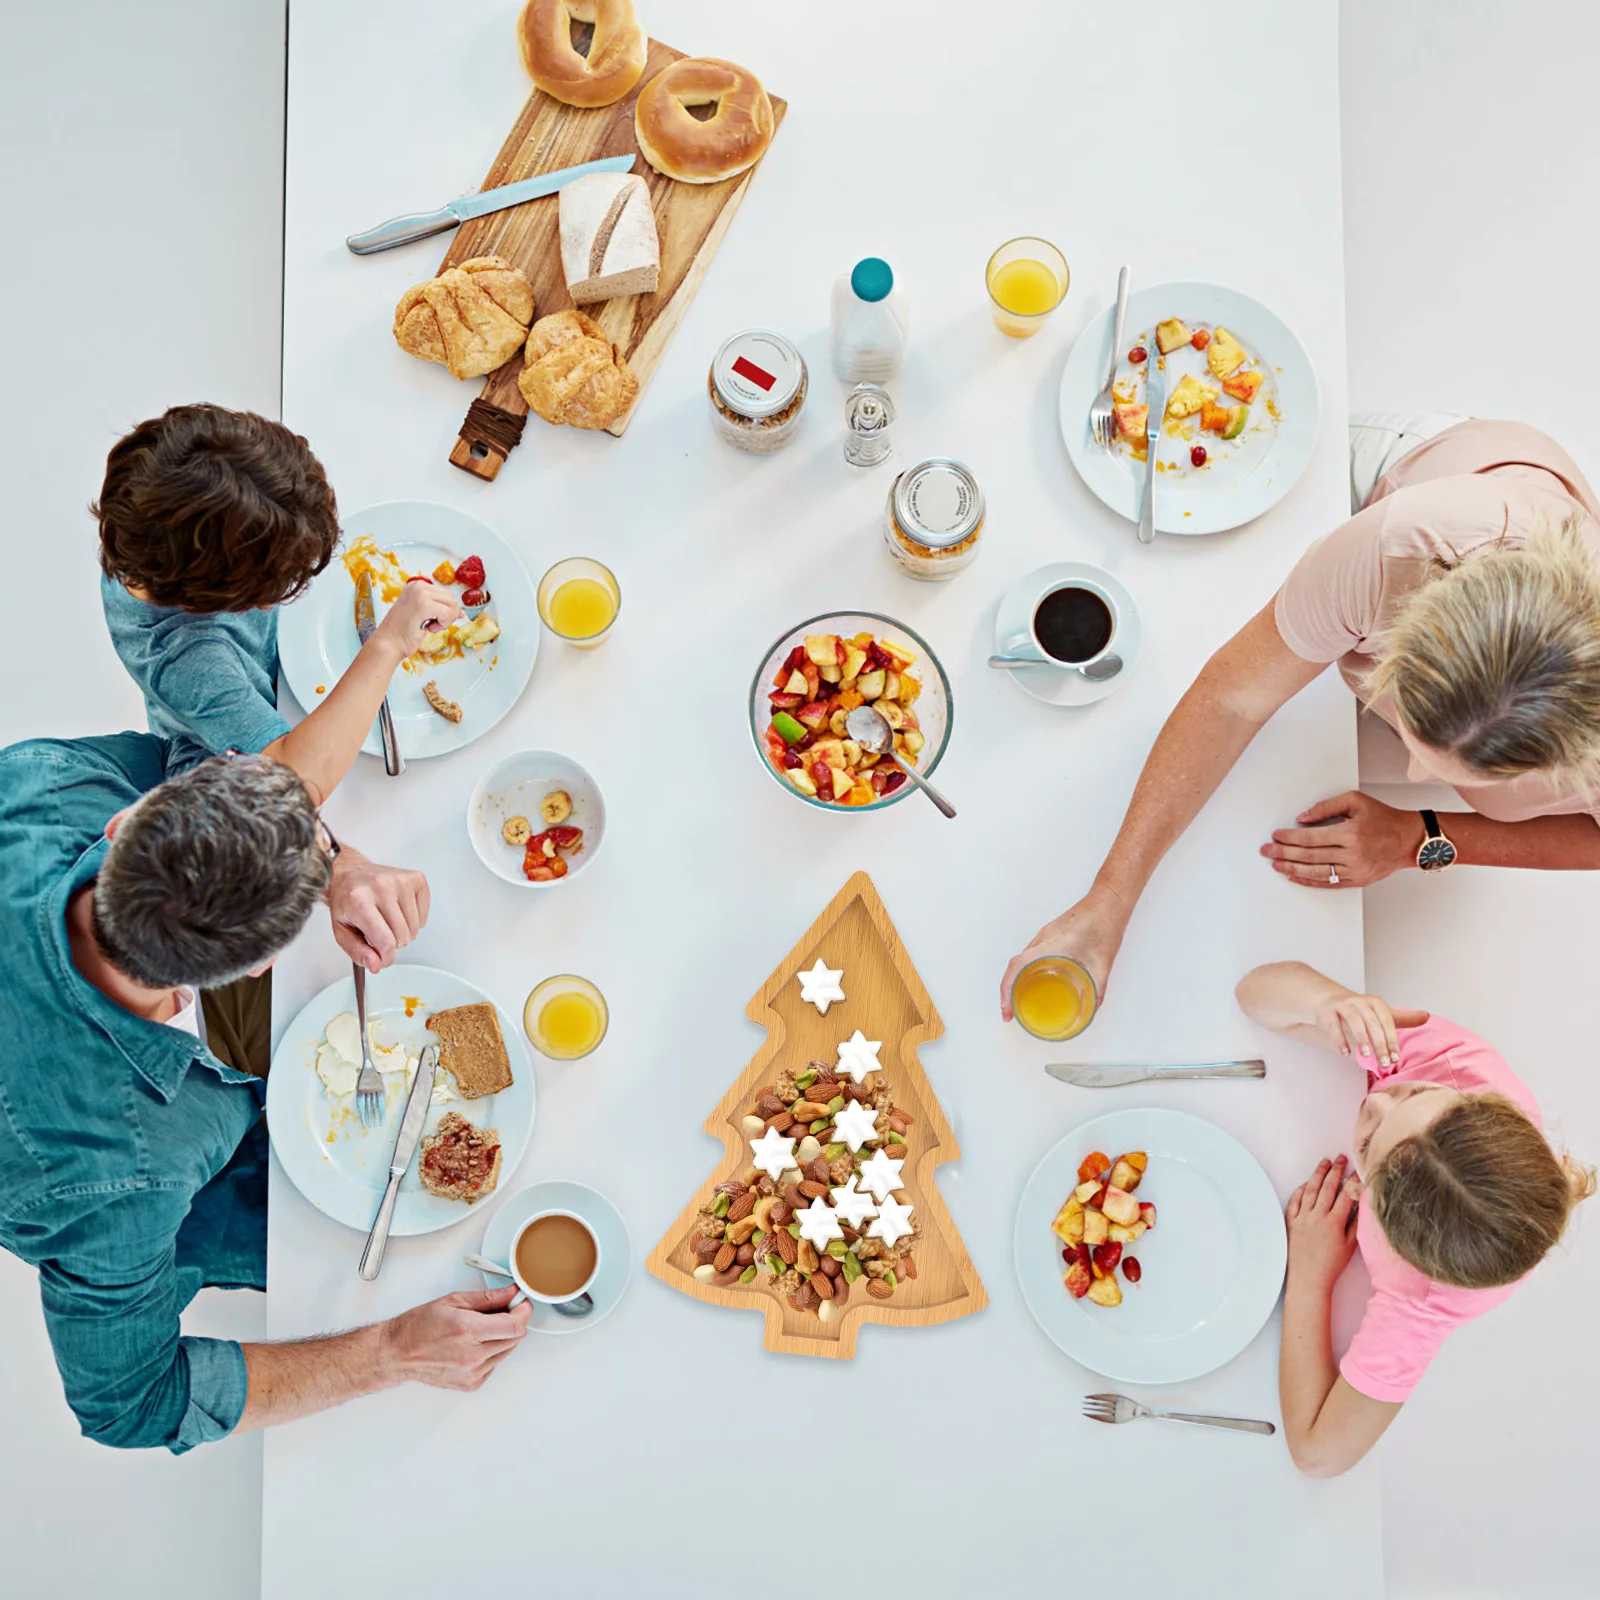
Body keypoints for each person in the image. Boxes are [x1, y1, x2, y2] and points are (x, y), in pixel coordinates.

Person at [0, 734, 527, 1452]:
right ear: (262, 966)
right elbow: (129, 1407)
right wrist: (395, 1349)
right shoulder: (118, 1187)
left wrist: (344, 864)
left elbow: (195, 756)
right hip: (153, 1186)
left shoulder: (39, 781)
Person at [1000, 416, 1600, 1015]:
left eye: (1447, 770)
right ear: (1401, 635)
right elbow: (1232, 698)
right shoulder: (1392, 549)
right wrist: (1109, 899)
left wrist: (1422, 835)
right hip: (1404, 482)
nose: (1416, 774)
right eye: (1416, 741)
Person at [1235, 960, 1593, 1477]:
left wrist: (1311, 1277)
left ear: (1373, 1212)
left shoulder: (1422, 1303)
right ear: (1482, 1103)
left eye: (1366, 1144)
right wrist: (1325, 1002)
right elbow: (1254, 993)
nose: (1378, 1097)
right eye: (1413, 1093)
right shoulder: (1451, 1064)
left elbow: (1318, 1454)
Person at [95, 403, 461, 798]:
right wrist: (389, 643)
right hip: (227, 763)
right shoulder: (187, 660)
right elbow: (295, 784)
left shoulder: (174, 520)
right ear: (232, 598)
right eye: (283, 582)